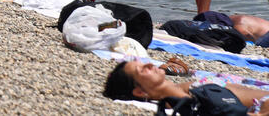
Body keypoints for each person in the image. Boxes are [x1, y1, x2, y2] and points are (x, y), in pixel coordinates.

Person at [103, 60, 269, 112]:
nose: (148, 64)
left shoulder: (186, 87)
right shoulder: (182, 102)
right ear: (140, 91)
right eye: (142, 70)